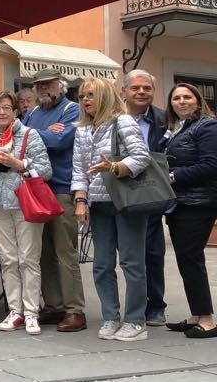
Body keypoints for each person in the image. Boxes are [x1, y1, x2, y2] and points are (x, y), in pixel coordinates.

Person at [71, 77, 152, 341]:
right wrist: (81, 200)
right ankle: (111, 317)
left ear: (105, 96)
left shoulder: (123, 121)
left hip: (126, 202)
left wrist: (115, 167)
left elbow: (142, 157)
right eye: (82, 95)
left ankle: (136, 320)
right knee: (102, 264)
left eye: (91, 94)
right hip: (100, 204)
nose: (85, 100)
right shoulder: (82, 129)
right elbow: (78, 170)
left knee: (131, 263)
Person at [0, 90, 52, 335]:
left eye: (7, 108)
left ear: (15, 111)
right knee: (8, 260)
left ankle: (32, 312)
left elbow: (46, 170)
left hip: (24, 202)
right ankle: (15, 311)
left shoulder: (29, 135)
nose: (2, 112)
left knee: (28, 259)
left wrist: (19, 164)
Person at [23, 68, 85, 332]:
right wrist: (43, 133)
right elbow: (20, 140)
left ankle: (75, 310)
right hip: (35, 187)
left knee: (65, 251)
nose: (43, 90)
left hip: (61, 187)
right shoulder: (33, 112)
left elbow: (60, 141)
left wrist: (36, 134)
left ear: (61, 85)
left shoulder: (73, 109)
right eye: (39, 86)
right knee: (43, 252)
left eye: (48, 85)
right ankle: (53, 305)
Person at [162, 83, 217, 338]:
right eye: (176, 98)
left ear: (197, 101)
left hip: (199, 203)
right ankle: (197, 314)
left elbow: (211, 165)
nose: (181, 101)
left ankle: (207, 320)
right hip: (180, 203)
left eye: (187, 97)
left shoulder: (207, 126)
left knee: (191, 258)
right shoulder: (178, 129)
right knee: (186, 259)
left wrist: (172, 176)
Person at [121, 69, 168, 327]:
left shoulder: (163, 118)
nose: (141, 92)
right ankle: (124, 308)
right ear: (124, 91)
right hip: (117, 190)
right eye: (135, 88)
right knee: (122, 255)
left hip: (150, 192)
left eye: (146, 88)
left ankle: (156, 305)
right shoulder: (113, 117)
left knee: (152, 251)